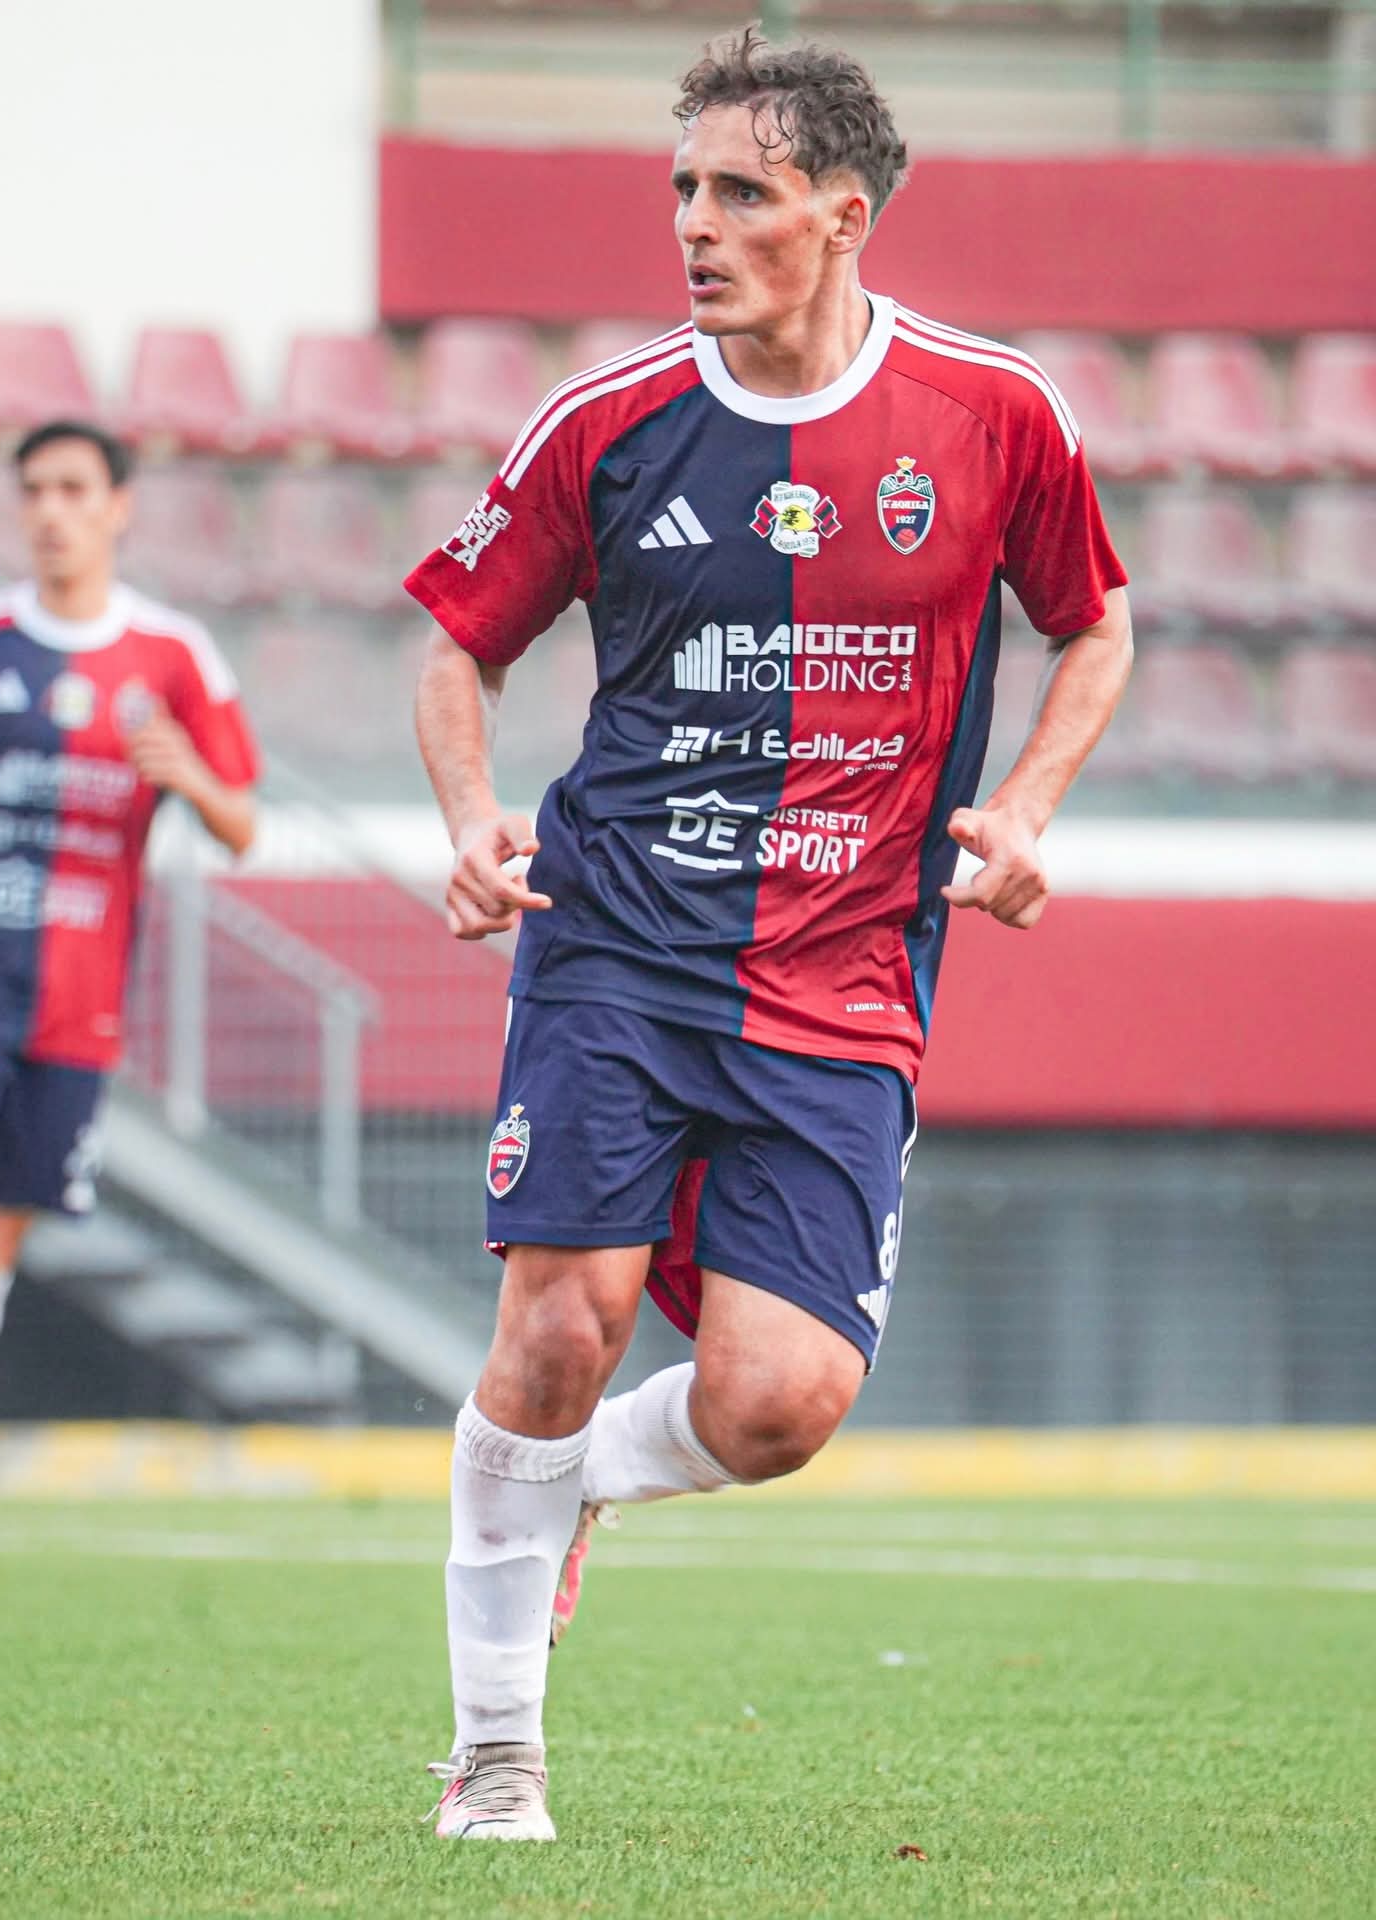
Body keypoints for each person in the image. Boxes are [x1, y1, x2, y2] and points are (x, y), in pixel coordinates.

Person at [410, 28, 1132, 1840]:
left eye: (742, 192)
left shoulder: (995, 416)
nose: (697, 225)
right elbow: (458, 646)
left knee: (779, 1407)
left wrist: (1026, 809)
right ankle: (495, 1761)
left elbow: (1093, 625)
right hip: (617, 947)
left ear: (844, 214)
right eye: (684, 189)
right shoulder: (606, 423)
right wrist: (471, 821)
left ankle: (575, 1484)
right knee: (560, 1328)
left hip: (848, 971)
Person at [0, 419, 260, 1430]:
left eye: (73, 489)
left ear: (118, 507)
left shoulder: (172, 654)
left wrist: (189, 776)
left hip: (78, 1002)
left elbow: (242, 826)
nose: (51, 512)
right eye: (34, 490)